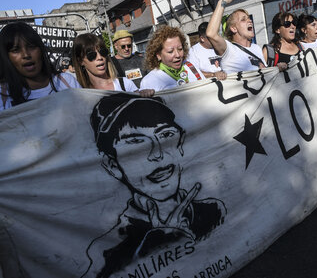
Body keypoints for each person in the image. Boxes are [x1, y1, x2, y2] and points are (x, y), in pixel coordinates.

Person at [82, 93, 227, 277]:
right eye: (136, 143)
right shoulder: (106, 250)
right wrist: (161, 242)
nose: (157, 154)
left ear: (180, 143)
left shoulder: (213, 211)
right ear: (113, 165)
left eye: (166, 135)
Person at [0, 22, 81, 111]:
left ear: (41, 49)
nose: (26, 55)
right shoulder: (3, 95)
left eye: (31, 47)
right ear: (6, 57)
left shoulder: (66, 82)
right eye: (15, 50)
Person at [206, 0, 266, 74]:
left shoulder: (257, 48)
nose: (249, 21)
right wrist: (222, 2)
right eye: (243, 19)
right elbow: (211, 34)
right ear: (234, 29)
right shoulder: (229, 49)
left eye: (249, 18)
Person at [72, 33, 154, 97]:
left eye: (102, 52)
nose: (100, 57)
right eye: (91, 55)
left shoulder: (125, 84)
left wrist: (144, 95)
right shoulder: (79, 95)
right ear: (80, 61)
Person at [140, 26, 205, 92]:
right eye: (170, 51)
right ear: (158, 55)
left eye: (180, 49)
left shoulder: (191, 67)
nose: (177, 55)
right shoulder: (150, 81)